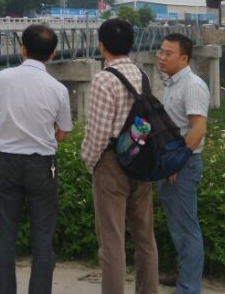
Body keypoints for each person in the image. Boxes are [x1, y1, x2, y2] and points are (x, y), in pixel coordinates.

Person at [0, 24, 73, 294]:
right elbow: (62, 133)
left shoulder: (0, 79)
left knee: (4, 237)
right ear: (52, 54)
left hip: (7, 162)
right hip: (42, 165)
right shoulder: (58, 88)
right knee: (43, 238)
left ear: (23, 49)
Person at [80, 18, 159, 294]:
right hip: (141, 157)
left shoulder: (104, 78)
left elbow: (99, 131)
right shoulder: (142, 74)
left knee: (112, 240)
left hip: (112, 162)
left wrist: (90, 161)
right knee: (145, 237)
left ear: (101, 46)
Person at [156, 33, 209, 293]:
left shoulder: (192, 85)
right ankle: (184, 276)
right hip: (170, 164)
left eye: (169, 53)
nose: (161, 57)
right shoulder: (172, 84)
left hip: (182, 167)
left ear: (184, 58)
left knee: (186, 229)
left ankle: (188, 287)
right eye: (161, 51)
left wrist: (176, 163)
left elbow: (198, 129)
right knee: (178, 227)